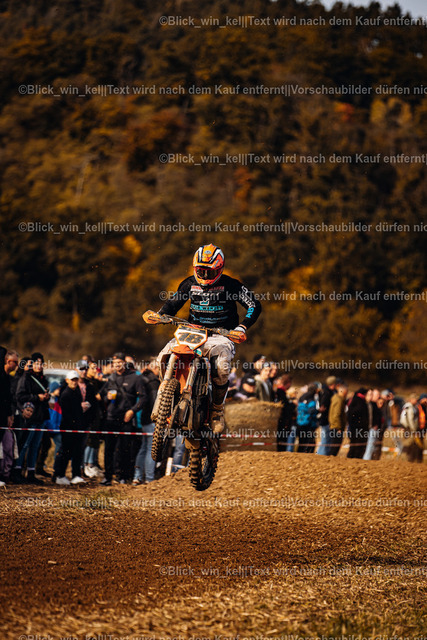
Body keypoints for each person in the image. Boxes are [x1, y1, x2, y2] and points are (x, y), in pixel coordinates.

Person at [144, 244, 262, 434]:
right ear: (194, 268)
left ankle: (217, 410)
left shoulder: (231, 285)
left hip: (221, 335)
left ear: (220, 268)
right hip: (192, 331)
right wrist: (160, 315)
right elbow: (173, 303)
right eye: (201, 271)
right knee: (162, 357)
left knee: (222, 367)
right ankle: (163, 399)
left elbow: (254, 305)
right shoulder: (189, 283)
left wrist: (242, 327)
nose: (205, 276)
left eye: (210, 271)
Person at [100, 352, 148, 485]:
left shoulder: (135, 378)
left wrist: (133, 411)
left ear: (124, 363)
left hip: (126, 418)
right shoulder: (111, 378)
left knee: (124, 449)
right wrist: (107, 398)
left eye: (119, 362)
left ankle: (123, 476)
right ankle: (107, 476)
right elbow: (102, 397)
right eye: (114, 363)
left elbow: (143, 398)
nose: (117, 365)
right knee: (109, 449)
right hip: (111, 417)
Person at [15, 352, 50, 484]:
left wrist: (46, 397)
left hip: (41, 416)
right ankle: (17, 471)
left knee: (35, 446)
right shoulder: (26, 378)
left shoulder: (43, 379)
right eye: (36, 363)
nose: (39, 366)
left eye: (41, 363)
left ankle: (31, 473)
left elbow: (44, 395)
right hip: (30, 417)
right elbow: (20, 396)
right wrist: (37, 397)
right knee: (25, 445)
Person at [54, 371, 87, 485]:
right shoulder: (66, 394)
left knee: (77, 452)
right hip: (68, 427)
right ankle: (60, 475)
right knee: (66, 452)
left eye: (76, 379)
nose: (74, 382)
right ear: (67, 380)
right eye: (72, 380)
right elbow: (67, 414)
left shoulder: (76, 392)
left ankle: (76, 475)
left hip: (77, 427)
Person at [133, 357, 160, 485]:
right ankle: (149, 478)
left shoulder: (142, 378)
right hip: (151, 419)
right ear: (155, 368)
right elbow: (156, 402)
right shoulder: (153, 381)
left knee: (143, 448)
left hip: (143, 418)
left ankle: (137, 477)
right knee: (151, 449)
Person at [319, 383, 348, 456]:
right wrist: (338, 428)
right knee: (334, 446)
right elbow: (336, 415)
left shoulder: (337, 398)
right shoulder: (339, 400)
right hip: (336, 427)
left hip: (334, 426)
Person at [347, 388, 370, 459]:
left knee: (355, 447)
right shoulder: (360, 403)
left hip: (355, 429)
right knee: (357, 448)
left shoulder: (356, 400)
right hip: (358, 429)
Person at [317, 376, 337, 456]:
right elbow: (323, 407)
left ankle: (320, 455)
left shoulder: (325, 392)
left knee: (325, 440)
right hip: (325, 420)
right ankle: (322, 456)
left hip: (325, 419)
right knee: (326, 440)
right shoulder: (327, 393)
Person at [295, 383, 318, 453]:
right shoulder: (311, 399)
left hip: (299, 422)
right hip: (308, 424)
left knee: (301, 443)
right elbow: (312, 411)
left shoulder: (301, 397)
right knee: (309, 444)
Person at [275, 374, 295, 451]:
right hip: (283, 421)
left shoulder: (281, 391)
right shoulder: (281, 392)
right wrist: (293, 404)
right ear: (288, 383)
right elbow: (285, 407)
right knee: (282, 442)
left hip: (284, 421)